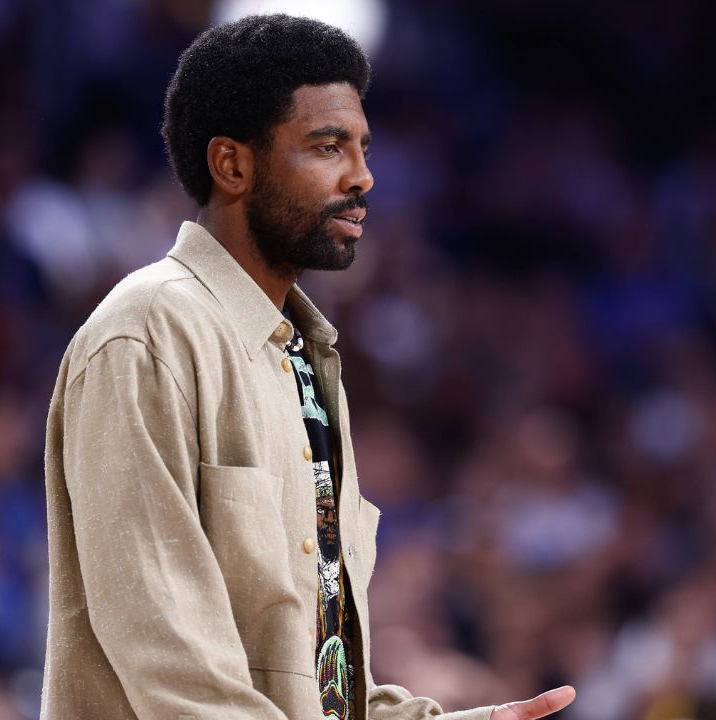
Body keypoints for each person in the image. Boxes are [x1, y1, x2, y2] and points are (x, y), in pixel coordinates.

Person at [40, 14, 576, 720]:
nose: (362, 177)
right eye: (328, 147)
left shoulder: (305, 359)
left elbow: (322, 682)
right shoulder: (147, 335)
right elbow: (171, 670)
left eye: (362, 149)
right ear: (232, 165)